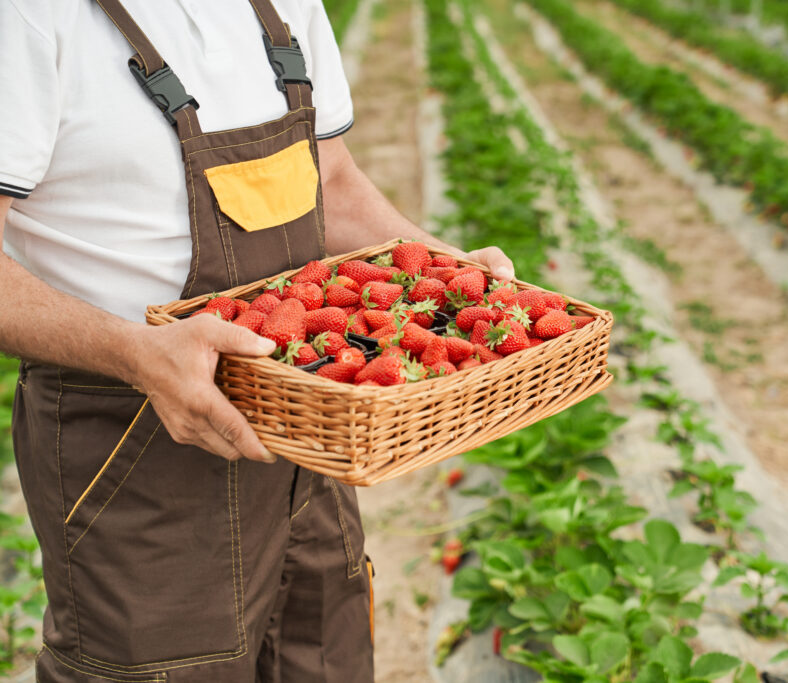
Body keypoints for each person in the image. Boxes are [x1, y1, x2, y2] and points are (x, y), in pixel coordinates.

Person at [0, 0, 514, 680]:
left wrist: (449, 269)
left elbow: (330, 182)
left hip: (306, 420)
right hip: (138, 444)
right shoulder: (31, 17)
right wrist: (138, 352)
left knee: (322, 654)